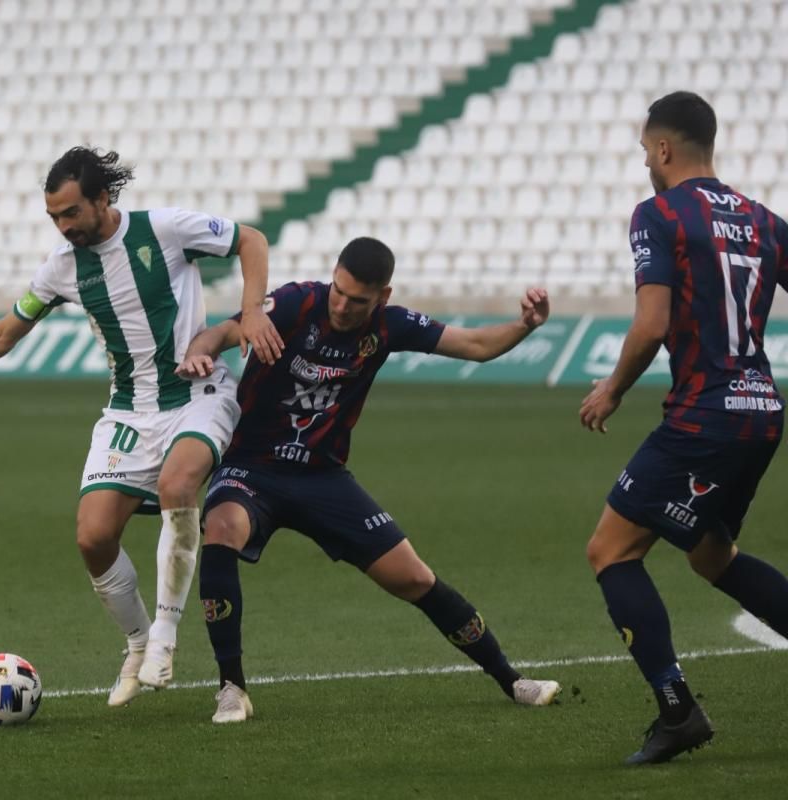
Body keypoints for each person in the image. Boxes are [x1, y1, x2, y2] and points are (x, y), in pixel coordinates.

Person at [0, 147, 283, 705]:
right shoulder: (60, 269)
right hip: (128, 410)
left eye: (71, 213)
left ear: (102, 199)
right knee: (93, 537)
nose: (64, 226)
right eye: (54, 217)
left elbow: (251, 239)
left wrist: (253, 309)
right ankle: (139, 640)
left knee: (178, 484)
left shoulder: (164, 229)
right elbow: (3, 334)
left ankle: (166, 634)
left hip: (198, 392)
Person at [176, 236, 561, 724]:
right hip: (252, 466)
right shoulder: (297, 303)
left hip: (322, 477)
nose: (341, 305)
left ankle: (512, 680)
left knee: (415, 577)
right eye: (338, 290)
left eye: (357, 299)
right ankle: (232, 688)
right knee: (222, 528)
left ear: (383, 296)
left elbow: (476, 345)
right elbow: (221, 334)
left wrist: (526, 324)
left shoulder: (389, 325)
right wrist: (199, 354)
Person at [579, 91, 788, 764]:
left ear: (664, 149)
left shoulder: (659, 214)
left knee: (610, 550)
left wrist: (611, 390)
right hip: (761, 410)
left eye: (646, 150)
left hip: (707, 412)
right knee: (710, 555)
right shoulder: (764, 221)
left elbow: (652, 323)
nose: (645, 161)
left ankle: (677, 709)